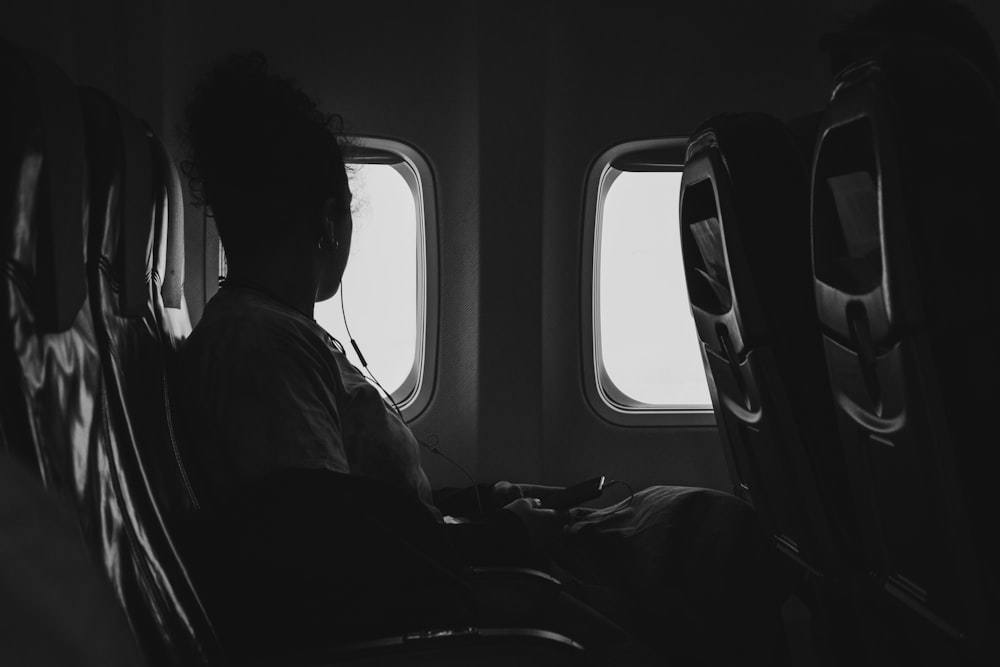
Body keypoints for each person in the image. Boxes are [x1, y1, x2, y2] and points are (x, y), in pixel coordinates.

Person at [176, 52, 785, 666]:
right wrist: (504, 536)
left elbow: (361, 514)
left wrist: (488, 498)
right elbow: (331, 548)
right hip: (466, 595)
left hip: (460, 563)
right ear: (328, 222)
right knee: (716, 537)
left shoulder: (269, 331)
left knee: (696, 523)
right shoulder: (259, 345)